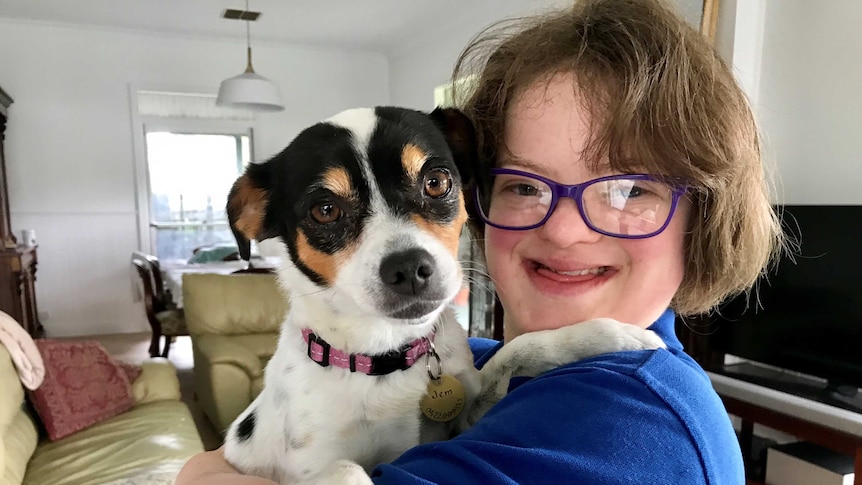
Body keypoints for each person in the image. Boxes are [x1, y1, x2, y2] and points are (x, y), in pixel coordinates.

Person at [177, 0, 782, 483]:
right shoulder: (470, 350)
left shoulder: (627, 435)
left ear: (707, 213)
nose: (566, 229)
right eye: (522, 183)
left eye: (628, 189)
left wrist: (202, 475)